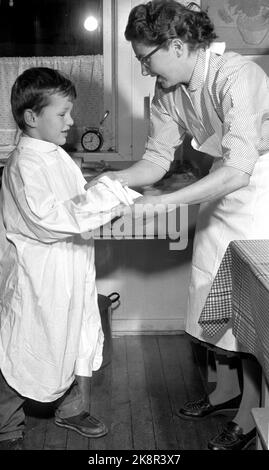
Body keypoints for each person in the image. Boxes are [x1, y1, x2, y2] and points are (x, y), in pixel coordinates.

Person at [87, 1, 269, 450]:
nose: (145, 70)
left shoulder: (237, 77)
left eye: (146, 59)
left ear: (176, 45)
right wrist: (114, 178)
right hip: (221, 182)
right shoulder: (170, 94)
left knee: (249, 305)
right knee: (210, 290)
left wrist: (164, 203)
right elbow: (154, 160)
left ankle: (250, 416)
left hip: (260, 185)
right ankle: (225, 392)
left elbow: (242, 170)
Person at [0, 67, 137, 450]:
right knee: (24, 348)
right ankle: (7, 426)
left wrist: (105, 191)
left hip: (70, 267)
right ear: (31, 117)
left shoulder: (56, 155)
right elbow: (49, 220)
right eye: (62, 114)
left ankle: (70, 408)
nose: (72, 121)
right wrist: (109, 197)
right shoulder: (25, 164)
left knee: (73, 335)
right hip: (40, 276)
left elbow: (74, 202)